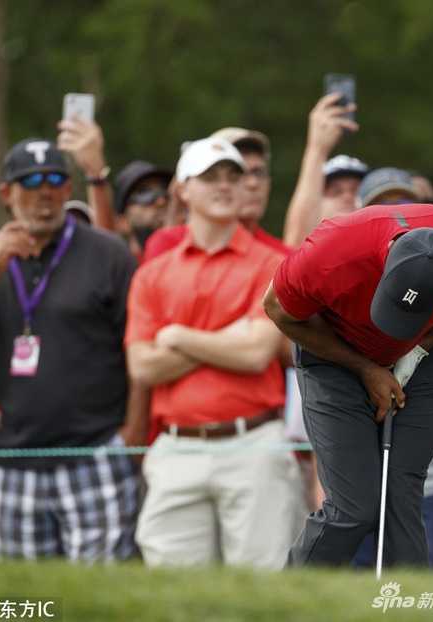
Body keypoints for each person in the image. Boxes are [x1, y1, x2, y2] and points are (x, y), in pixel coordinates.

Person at [264, 202, 433, 567]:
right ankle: (295, 599)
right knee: (352, 508)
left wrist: (419, 348)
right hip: (334, 354)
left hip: (426, 353)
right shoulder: (331, 251)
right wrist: (367, 368)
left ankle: (401, 603)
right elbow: (276, 309)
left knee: (403, 496)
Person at [126, 138, 305, 569]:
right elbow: (143, 367)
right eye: (210, 177)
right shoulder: (154, 274)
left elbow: (255, 354)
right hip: (176, 447)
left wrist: (179, 336)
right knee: (173, 600)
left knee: (262, 597)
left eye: (232, 177)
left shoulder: (270, 263)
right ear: (183, 190)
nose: (225, 187)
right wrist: (229, 336)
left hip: (254, 445)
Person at [0, 138, 140, 561]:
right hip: (18, 460)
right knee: (31, 600)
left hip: (94, 452)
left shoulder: (108, 255)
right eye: (31, 181)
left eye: (55, 180)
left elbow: (139, 352)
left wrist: (131, 436)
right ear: (6, 194)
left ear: (67, 190)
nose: (44, 191)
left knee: (99, 599)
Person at [143, 127, 291, 261]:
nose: (252, 183)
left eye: (258, 172)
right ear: (184, 189)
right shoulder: (167, 244)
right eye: (211, 176)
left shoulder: (281, 258)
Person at [283, 94, 362, 248]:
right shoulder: (307, 265)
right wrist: (317, 150)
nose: (347, 197)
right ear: (315, 203)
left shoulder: (386, 261)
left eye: (357, 191)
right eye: (335, 191)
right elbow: (294, 250)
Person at [113, 161, 173, 259]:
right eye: (144, 193)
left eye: (165, 190)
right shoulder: (120, 270)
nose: (161, 201)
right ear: (123, 222)